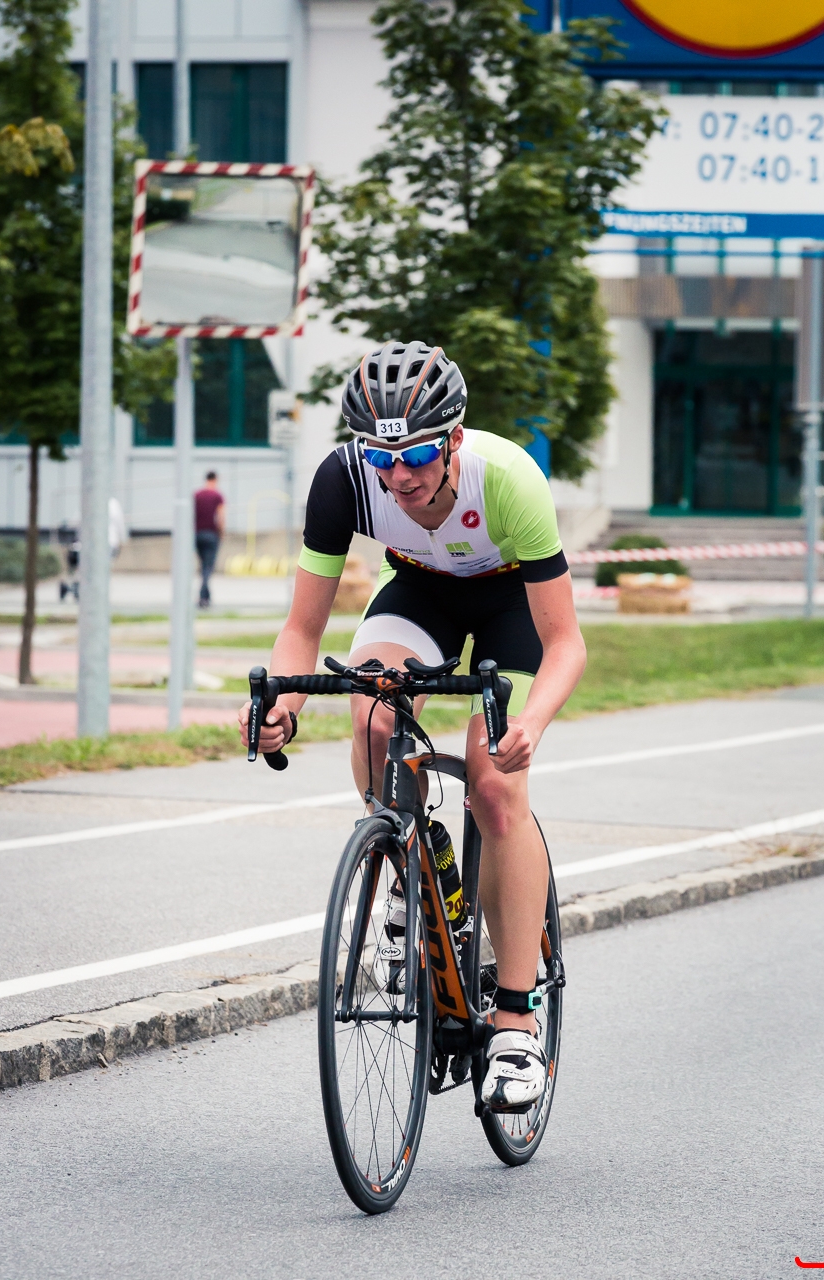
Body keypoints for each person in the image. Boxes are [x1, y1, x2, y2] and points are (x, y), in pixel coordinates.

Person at [238, 341, 586, 1111]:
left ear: (453, 439)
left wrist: (530, 721)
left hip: (509, 604)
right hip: (420, 593)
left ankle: (515, 1022)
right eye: (382, 457)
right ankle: (410, 867)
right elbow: (302, 629)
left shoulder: (508, 479)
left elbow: (565, 642)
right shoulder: (341, 480)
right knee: (371, 717)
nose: (399, 475)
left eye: (419, 454)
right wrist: (282, 709)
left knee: (493, 784)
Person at [194, 471, 225, 609]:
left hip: (197, 534)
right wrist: (221, 533)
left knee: (203, 566)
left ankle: (206, 595)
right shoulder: (217, 496)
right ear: (215, 480)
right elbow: (221, 516)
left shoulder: (197, 495)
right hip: (211, 534)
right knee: (208, 567)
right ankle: (203, 597)